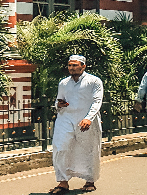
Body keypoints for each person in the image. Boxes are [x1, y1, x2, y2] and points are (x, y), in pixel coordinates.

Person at [49, 54, 103, 194]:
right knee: (60, 147)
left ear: (83, 66)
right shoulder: (63, 83)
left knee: (88, 149)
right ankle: (63, 182)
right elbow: (58, 101)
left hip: (86, 120)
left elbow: (97, 101)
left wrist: (89, 118)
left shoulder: (94, 81)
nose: (71, 68)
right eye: (69, 65)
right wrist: (58, 104)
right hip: (65, 118)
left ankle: (90, 180)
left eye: (75, 65)